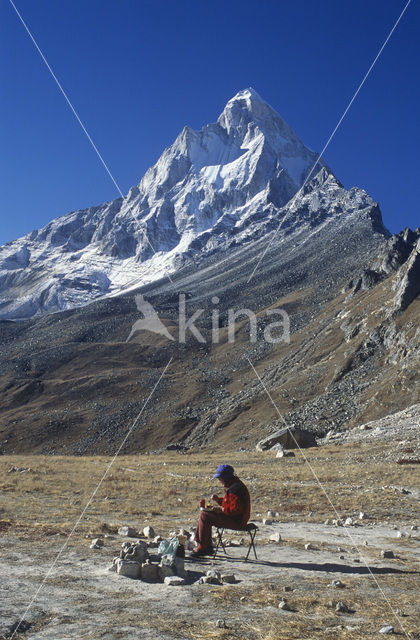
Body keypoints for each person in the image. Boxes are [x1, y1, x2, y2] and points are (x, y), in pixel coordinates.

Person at [191, 464, 251, 558]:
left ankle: (203, 547)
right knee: (206, 514)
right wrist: (218, 500)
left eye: (220, 478)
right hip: (235, 519)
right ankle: (206, 546)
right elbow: (230, 504)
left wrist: (221, 510)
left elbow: (236, 510)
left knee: (205, 516)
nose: (219, 480)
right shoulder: (234, 486)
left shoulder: (236, 489)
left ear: (225, 477)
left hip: (237, 521)